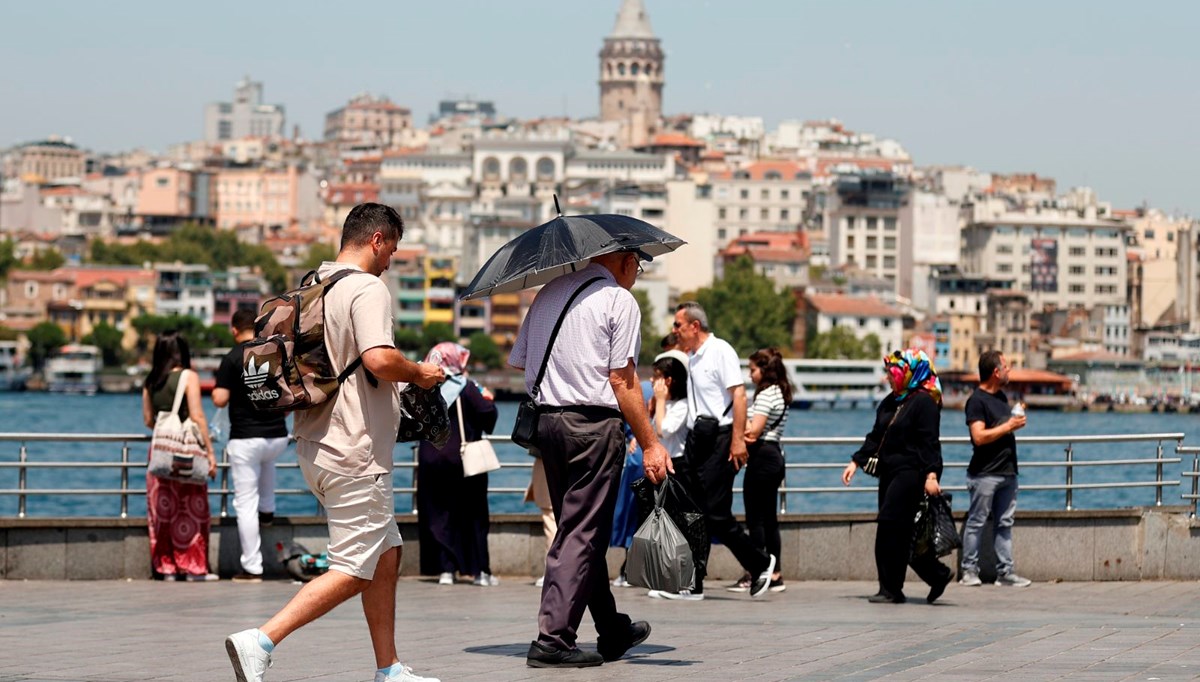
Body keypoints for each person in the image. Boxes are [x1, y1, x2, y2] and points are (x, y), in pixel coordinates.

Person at [224, 203, 445, 682]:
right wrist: (420, 374)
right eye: (393, 250)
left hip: (313, 443)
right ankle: (260, 641)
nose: (390, 261)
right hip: (354, 449)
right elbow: (379, 359)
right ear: (378, 240)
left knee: (386, 553)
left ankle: (389, 669)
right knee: (354, 567)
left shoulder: (314, 284)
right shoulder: (367, 288)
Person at [510, 249, 670, 669]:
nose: (639, 270)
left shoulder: (547, 293)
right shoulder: (619, 300)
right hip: (593, 427)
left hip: (548, 425)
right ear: (624, 259)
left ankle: (612, 627)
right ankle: (553, 639)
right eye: (640, 262)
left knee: (582, 527)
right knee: (581, 531)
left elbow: (521, 362)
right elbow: (623, 379)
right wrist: (651, 443)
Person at [669, 301, 776, 601]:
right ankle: (694, 582)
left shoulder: (721, 351)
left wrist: (738, 440)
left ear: (695, 326)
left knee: (715, 513)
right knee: (695, 512)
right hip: (697, 440)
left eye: (678, 325)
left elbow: (739, 396)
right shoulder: (691, 357)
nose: (674, 331)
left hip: (720, 438)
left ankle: (760, 563)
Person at [841, 349, 954, 605]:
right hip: (889, 473)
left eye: (893, 374)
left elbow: (929, 443)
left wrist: (931, 474)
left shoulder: (924, 403)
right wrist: (855, 461)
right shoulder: (891, 401)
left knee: (889, 525)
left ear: (910, 373)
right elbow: (875, 436)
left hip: (911, 473)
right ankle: (935, 575)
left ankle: (891, 589)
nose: (888, 379)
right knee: (902, 532)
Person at [213, 308, 290, 583]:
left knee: (245, 503)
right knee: (267, 465)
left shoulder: (232, 357)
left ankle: (252, 567)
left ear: (234, 329)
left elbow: (220, 399)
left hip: (246, 437)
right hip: (277, 435)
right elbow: (287, 392)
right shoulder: (270, 353)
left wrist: (222, 388)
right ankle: (267, 512)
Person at [416, 342, 499, 587]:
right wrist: (488, 399)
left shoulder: (424, 387)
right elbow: (487, 414)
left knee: (439, 514)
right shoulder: (468, 388)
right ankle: (479, 571)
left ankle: (445, 570)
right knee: (473, 514)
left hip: (431, 459)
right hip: (464, 460)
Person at [142, 331, 218, 581]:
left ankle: (167, 568)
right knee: (191, 509)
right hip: (186, 452)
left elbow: (148, 421)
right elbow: (197, 416)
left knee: (162, 512)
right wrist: (209, 451)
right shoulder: (189, 377)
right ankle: (193, 567)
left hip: (161, 451)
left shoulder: (150, 380)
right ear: (182, 352)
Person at [961, 350, 1032, 588]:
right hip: (984, 473)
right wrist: (1010, 426)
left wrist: (1013, 421)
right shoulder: (976, 401)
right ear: (995, 371)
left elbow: (1000, 429)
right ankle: (969, 571)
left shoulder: (1002, 398)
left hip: (1008, 472)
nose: (1009, 370)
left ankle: (1006, 572)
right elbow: (978, 437)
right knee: (977, 522)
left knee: (1005, 523)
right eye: (1006, 366)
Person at [729, 347, 790, 594]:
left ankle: (757, 572)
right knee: (769, 519)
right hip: (774, 456)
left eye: (752, 369)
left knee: (755, 519)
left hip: (762, 458)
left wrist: (735, 431)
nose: (749, 374)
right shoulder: (780, 392)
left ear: (764, 370)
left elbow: (754, 432)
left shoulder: (765, 395)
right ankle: (775, 573)